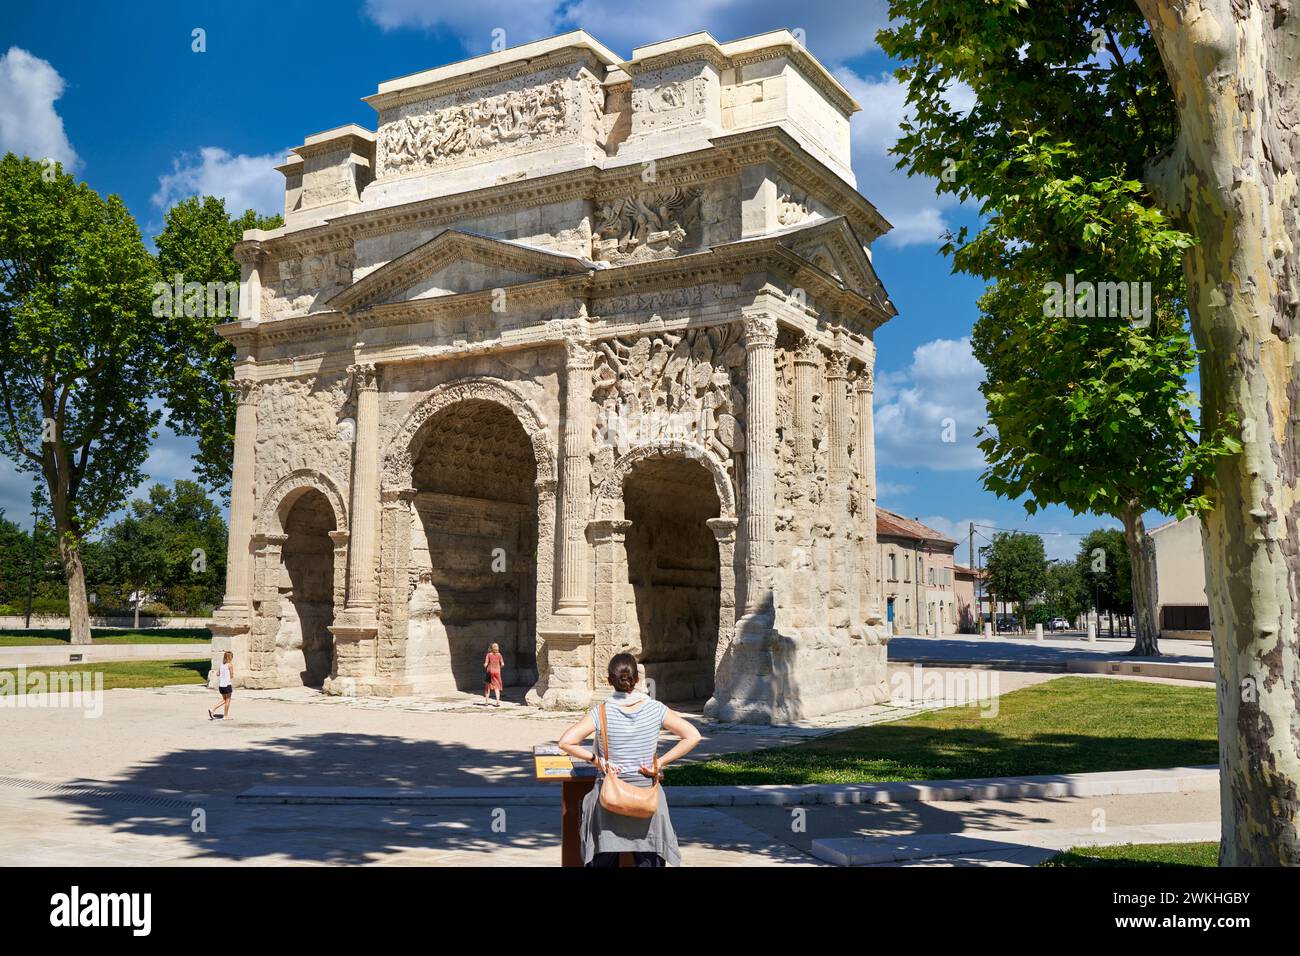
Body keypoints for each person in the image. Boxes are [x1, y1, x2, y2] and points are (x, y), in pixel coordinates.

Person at [557, 652, 702, 867]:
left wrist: (597, 760)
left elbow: (566, 742)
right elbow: (693, 735)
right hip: (647, 798)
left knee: (604, 860)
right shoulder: (656, 709)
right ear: (638, 679)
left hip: (609, 797)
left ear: (609, 681)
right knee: (648, 861)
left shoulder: (601, 712)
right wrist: (660, 762)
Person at [208, 651, 234, 720]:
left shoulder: (222, 664)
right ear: (230, 657)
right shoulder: (230, 665)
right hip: (227, 685)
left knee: (224, 700)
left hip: (221, 686)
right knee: (228, 700)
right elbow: (232, 675)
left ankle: (213, 709)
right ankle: (225, 715)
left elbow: (217, 674)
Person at [483, 642, 504, 706]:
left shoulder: (489, 655)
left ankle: (486, 702)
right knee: (497, 687)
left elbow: (486, 664)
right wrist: (499, 667)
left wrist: (485, 665)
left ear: (491, 648)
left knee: (487, 687)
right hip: (497, 672)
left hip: (489, 672)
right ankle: (497, 702)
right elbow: (502, 664)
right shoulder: (499, 655)